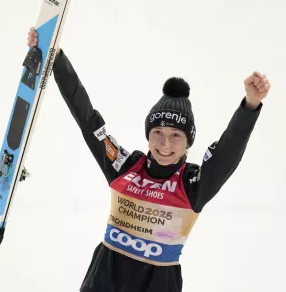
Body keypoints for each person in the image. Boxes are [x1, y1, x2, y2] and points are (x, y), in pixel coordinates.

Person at [27, 27, 271, 292]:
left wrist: (250, 104)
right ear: (148, 135)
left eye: (176, 135)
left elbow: (227, 154)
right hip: (103, 281)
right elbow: (88, 120)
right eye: (158, 133)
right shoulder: (125, 165)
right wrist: (57, 56)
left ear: (188, 142)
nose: (165, 144)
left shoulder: (193, 184)